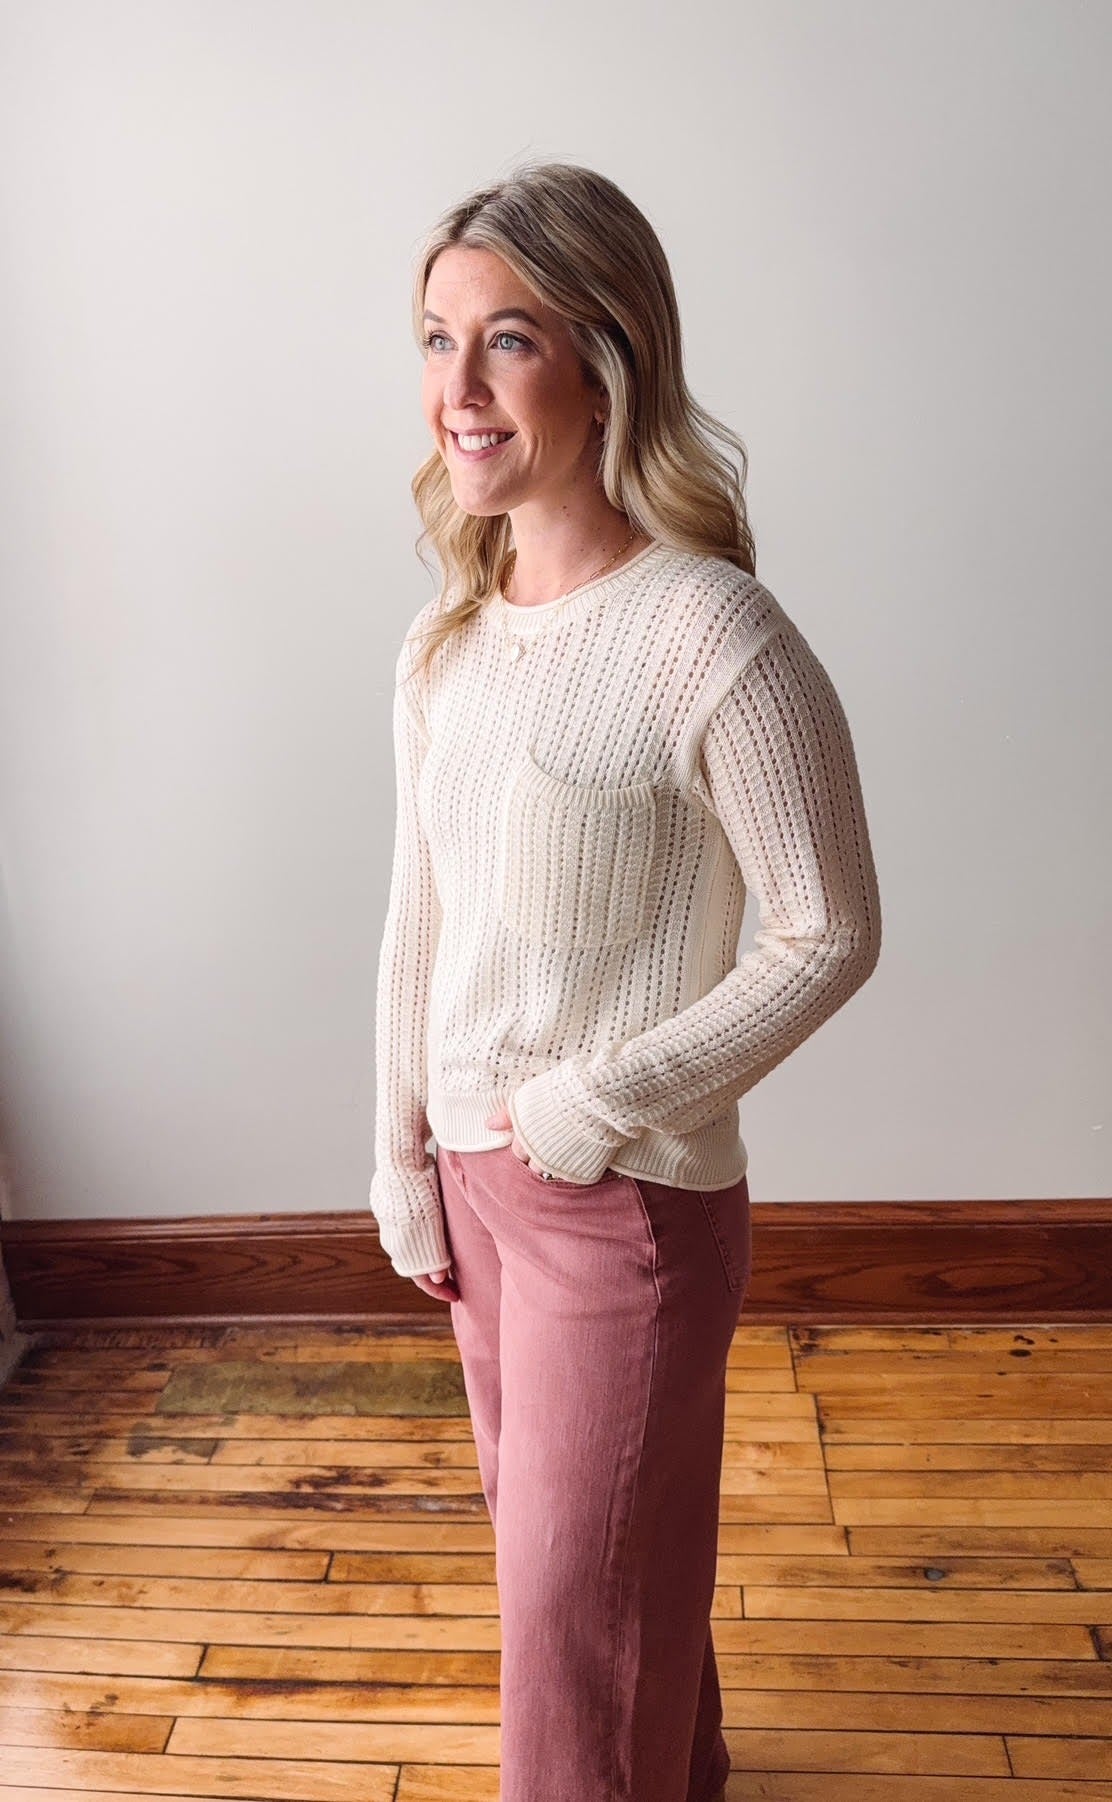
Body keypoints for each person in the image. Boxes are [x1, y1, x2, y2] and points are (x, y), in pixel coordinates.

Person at [369, 158, 881, 1802]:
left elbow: (829, 930)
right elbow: (418, 911)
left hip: (622, 1203)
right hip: (476, 1182)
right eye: (436, 340)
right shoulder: (447, 641)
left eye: (504, 340)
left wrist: (591, 1104)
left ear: (607, 359)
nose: (459, 388)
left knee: (568, 1628)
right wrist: (400, 1151)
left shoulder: (711, 633)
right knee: (585, 1570)